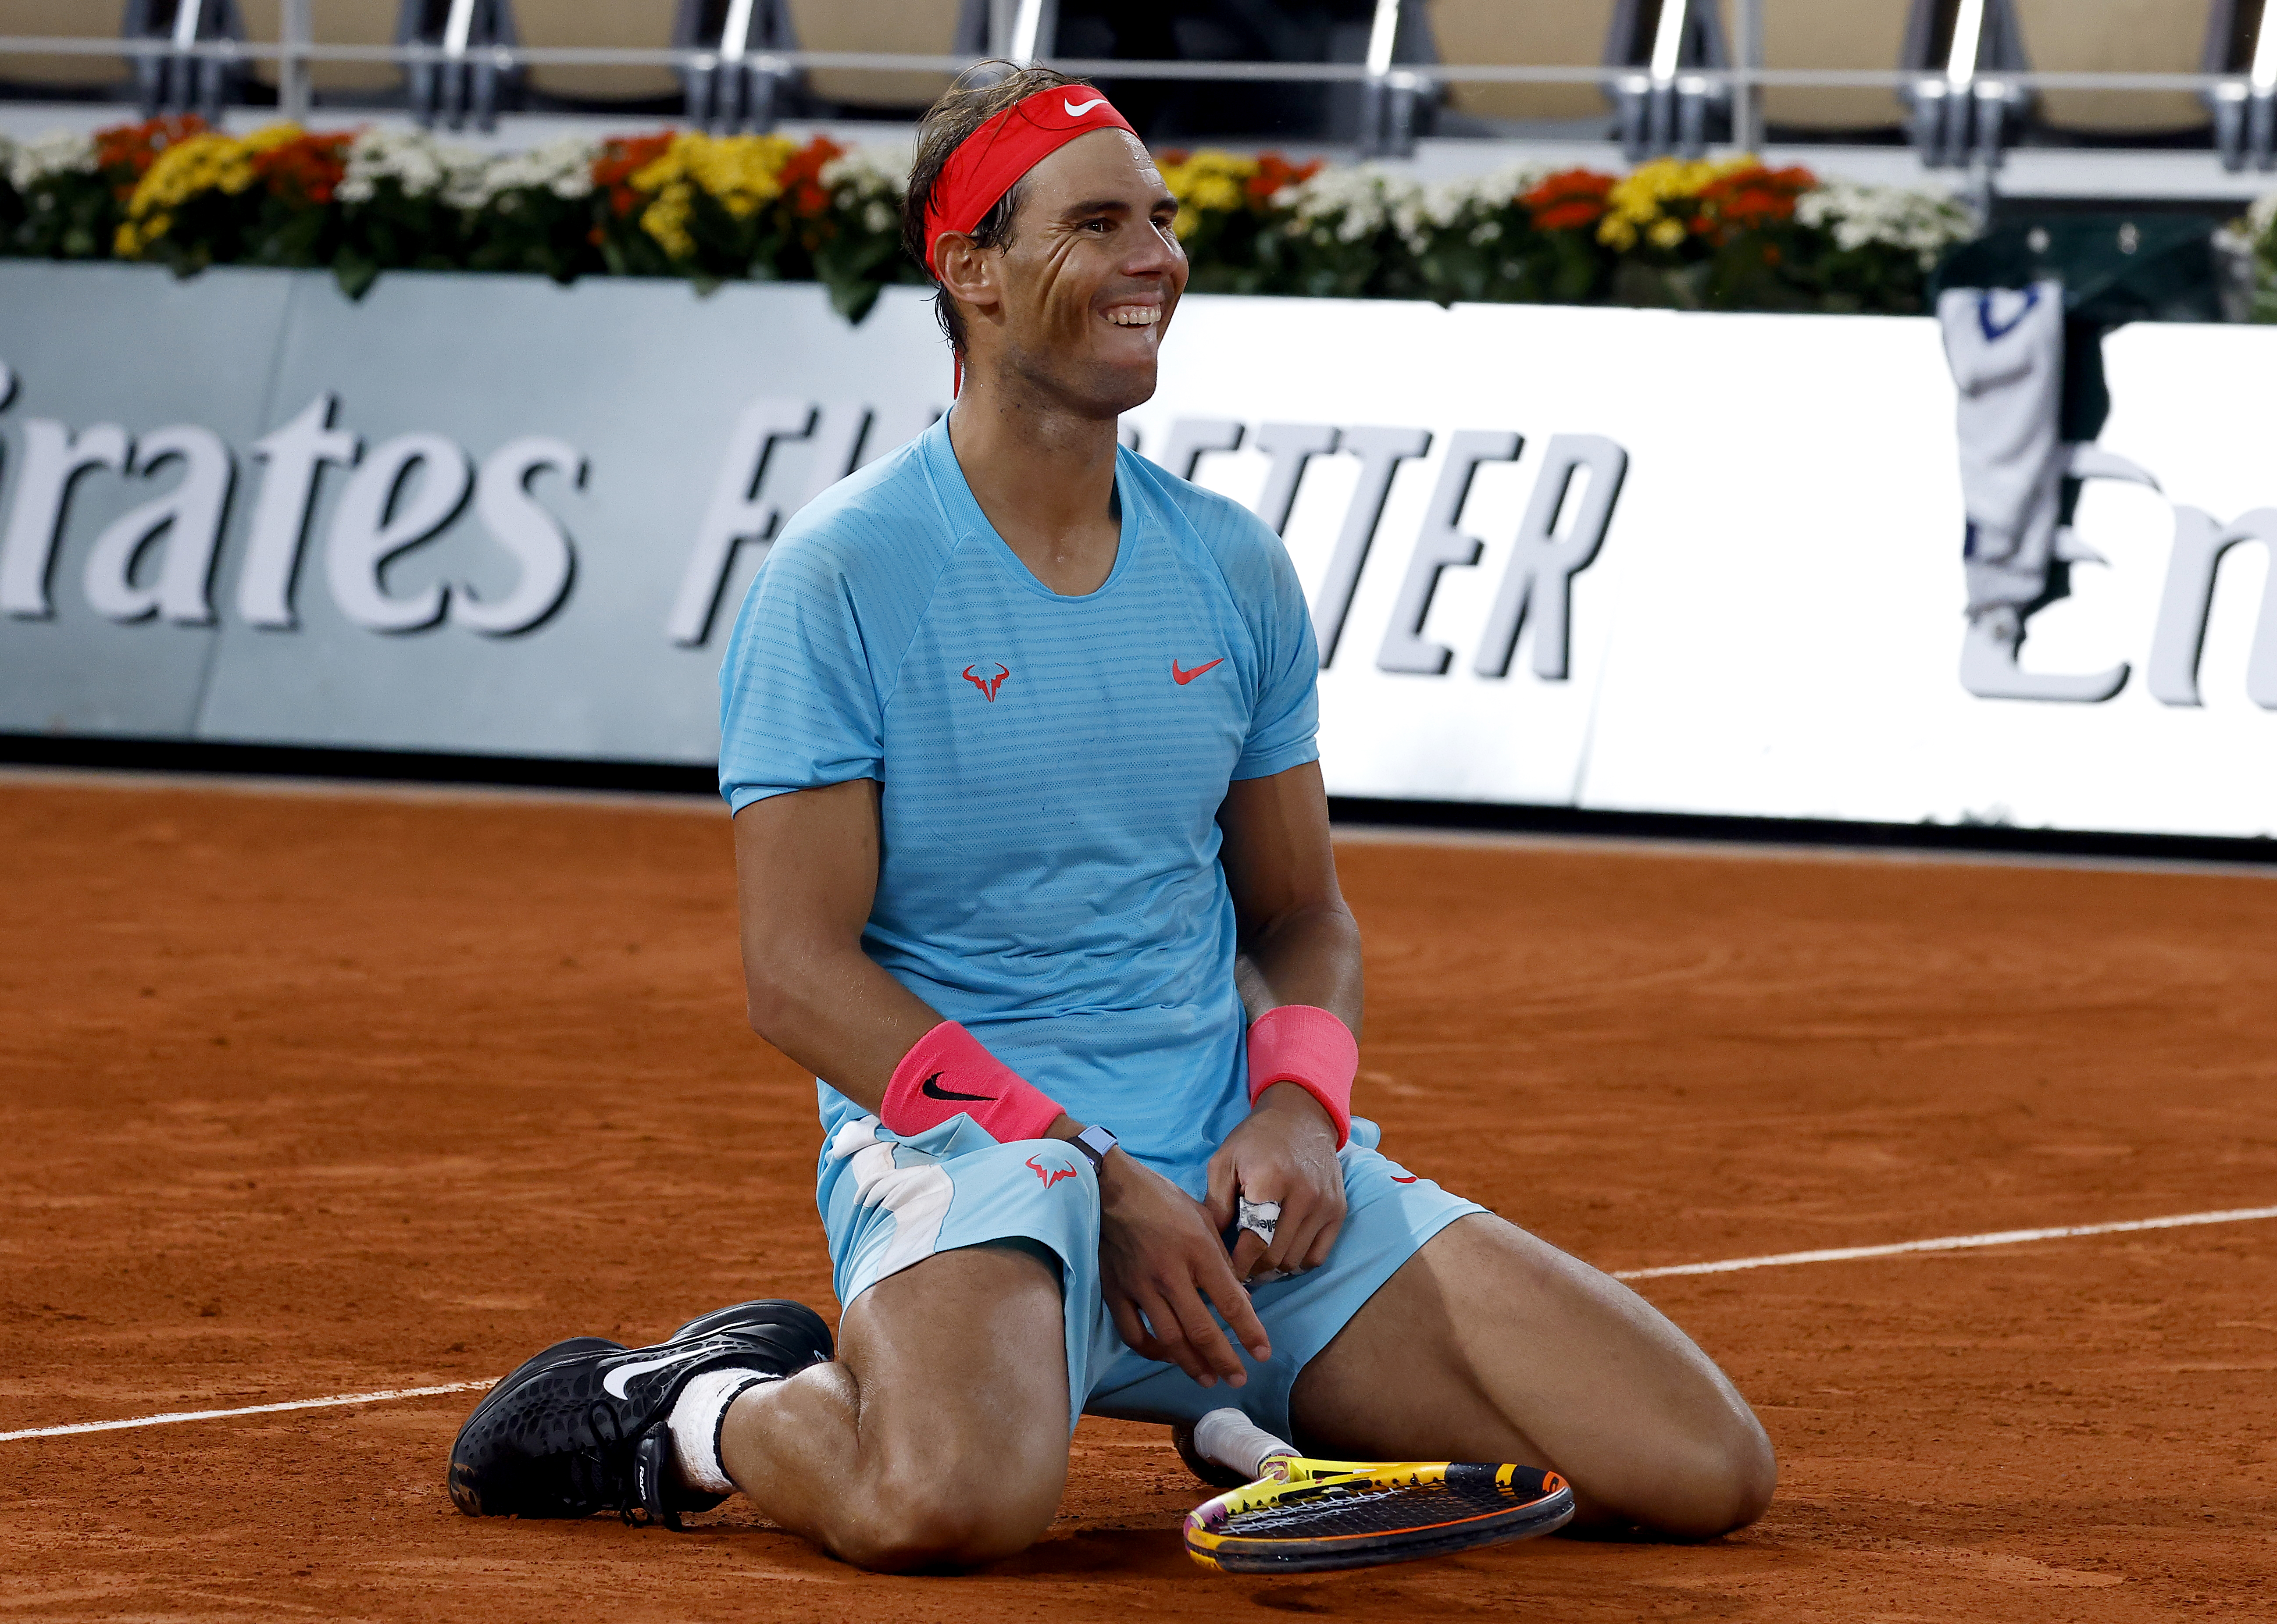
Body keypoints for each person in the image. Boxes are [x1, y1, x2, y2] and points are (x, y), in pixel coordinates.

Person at [447, 65, 1775, 1571]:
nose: (1156, 258)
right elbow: (797, 975)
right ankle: (695, 1407)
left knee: (1701, 1466)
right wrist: (1088, 1163)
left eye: (1161, 219)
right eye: (1097, 225)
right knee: (947, 1508)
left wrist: (1299, 1111)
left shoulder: (1233, 566)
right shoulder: (842, 573)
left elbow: (1300, 915)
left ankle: (1232, 1397)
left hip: (1235, 1185)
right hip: (979, 1164)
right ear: (972, 270)